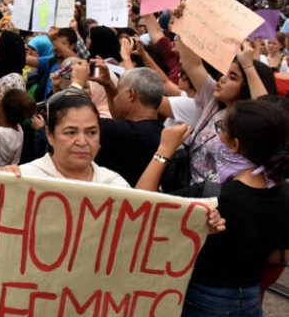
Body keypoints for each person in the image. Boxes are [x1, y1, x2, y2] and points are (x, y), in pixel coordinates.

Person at [134, 100, 288, 316]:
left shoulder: (215, 196)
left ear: (234, 144)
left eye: (222, 127)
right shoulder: (282, 191)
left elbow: (140, 206)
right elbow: (278, 255)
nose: (218, 134)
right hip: (251, 298)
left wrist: (163, 150)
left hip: (205, 300)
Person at [176, 38, 276, 195]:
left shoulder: (251, 125)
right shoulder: (214, 102)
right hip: (194, 192)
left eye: (233, 77)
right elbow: (192, 64)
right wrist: (183, 23)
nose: (222, 79)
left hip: (222, 202)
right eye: (225, 73)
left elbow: (266, 110)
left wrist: (248, 66)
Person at [0, 92, 130, 187]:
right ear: (49, 135)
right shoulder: (24, 178)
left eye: (91, 132)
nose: (82, 142)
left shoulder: (115, 185)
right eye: (70, 132)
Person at [76, 63, 165, 186]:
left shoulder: (122, 132)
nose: (115, 98)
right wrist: (108, 85)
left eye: (118, 93)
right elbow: (119, 115)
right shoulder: (159, 132)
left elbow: (73, 120)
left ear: (130, 94)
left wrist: (76, 84)